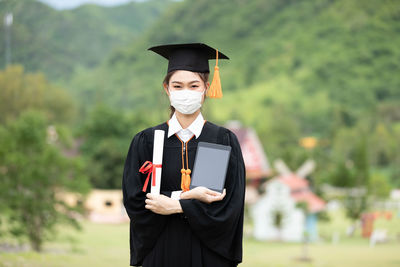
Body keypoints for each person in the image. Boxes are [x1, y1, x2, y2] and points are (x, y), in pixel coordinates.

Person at [122, 43, 245, 267]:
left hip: (209, 255)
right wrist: (190, 196)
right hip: (160, 252)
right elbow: (136, 202)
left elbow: (226, 205)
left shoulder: (218, 139)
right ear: (166, 89)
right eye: (177, 86)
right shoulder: (147, 141)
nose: (185, 93)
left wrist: (176, 204)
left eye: (193, 85)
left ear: (206, 88)